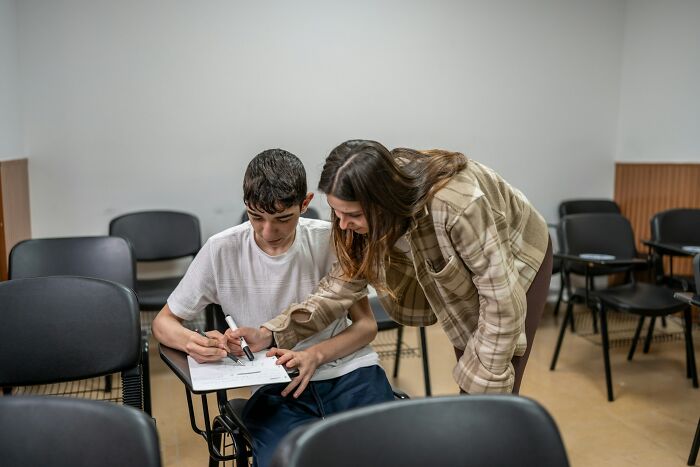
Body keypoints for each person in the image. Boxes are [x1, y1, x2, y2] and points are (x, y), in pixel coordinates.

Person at [236, 139, 552, 395]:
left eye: (354, 216)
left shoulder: (457, 204)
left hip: (518, 252)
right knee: (473, 382)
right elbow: (338, 288)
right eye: (337, 213)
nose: (343, 225)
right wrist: (271, 333)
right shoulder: (356, 212)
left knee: (491, 388)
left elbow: (500, 301)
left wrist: (485, 388)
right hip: (470, 269)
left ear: (382, 204)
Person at [152, 148, 394, 467]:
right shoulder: (222, 249)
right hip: (274, 385)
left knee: (389, 452)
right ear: (246, 206)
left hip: (349, 373)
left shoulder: (332, 239)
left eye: (283, 218)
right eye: (256, 217)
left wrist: (315, 354)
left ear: (305, 204)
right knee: (289, 460)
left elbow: (365, 326)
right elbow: (164, 323)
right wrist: (193, 342)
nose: (269, 232)